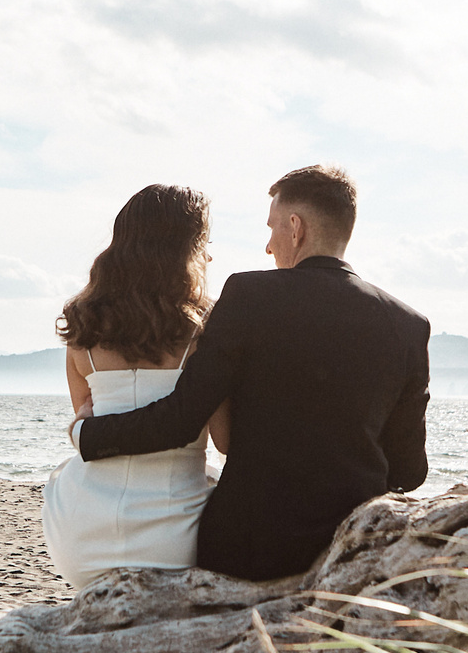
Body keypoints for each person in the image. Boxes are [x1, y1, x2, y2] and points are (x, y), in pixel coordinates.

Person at [70, 165, 428, 582]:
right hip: (350, 552)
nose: (267, 246)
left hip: (249, 548)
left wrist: (86, 434)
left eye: (272, 227)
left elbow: (179, 419)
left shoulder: (247, 296)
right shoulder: (408, 325)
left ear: (295, 228)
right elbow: (409, 471)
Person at [41, 185, 231, 593]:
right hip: (171, 541)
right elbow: (225, 438)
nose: (210, 256)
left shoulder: (81, 326)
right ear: (187, 249)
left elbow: (87, 417)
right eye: (205, 244)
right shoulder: (207, 330)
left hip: (80, 533)